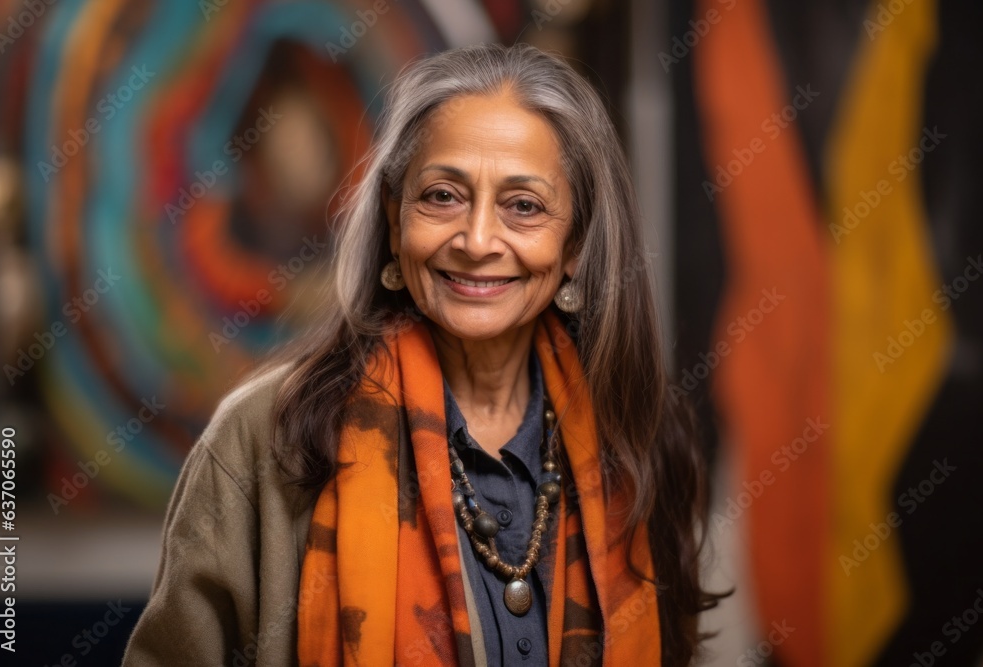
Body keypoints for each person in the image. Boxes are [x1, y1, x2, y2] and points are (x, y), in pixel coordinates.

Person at [122, 42, 719, 666]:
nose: (478, 240)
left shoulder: (639, 432)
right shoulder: (263, 438)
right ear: (393, 214)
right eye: (442, 196)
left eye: (524, 206)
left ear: (575, 247)